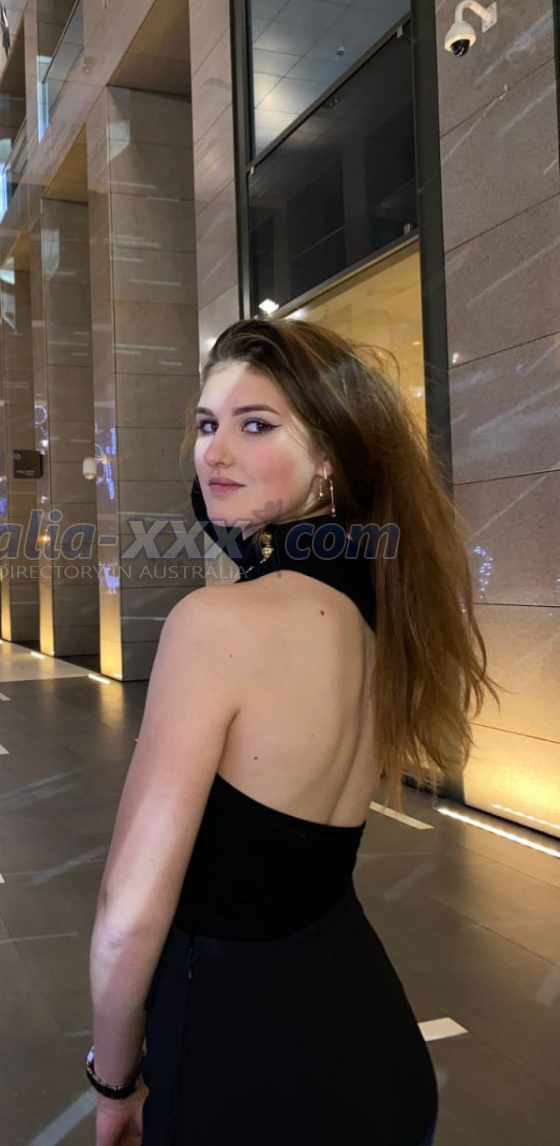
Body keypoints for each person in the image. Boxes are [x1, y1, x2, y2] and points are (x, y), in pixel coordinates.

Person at [86, 318, 495, 1145]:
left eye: (256, 425)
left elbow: (127, 916)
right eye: (208, 424)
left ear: (329, 458)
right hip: (375, 1053)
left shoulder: (215, 625)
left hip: (247, 1074)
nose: (215, 452)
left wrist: (114, 1080)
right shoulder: (379, 621)